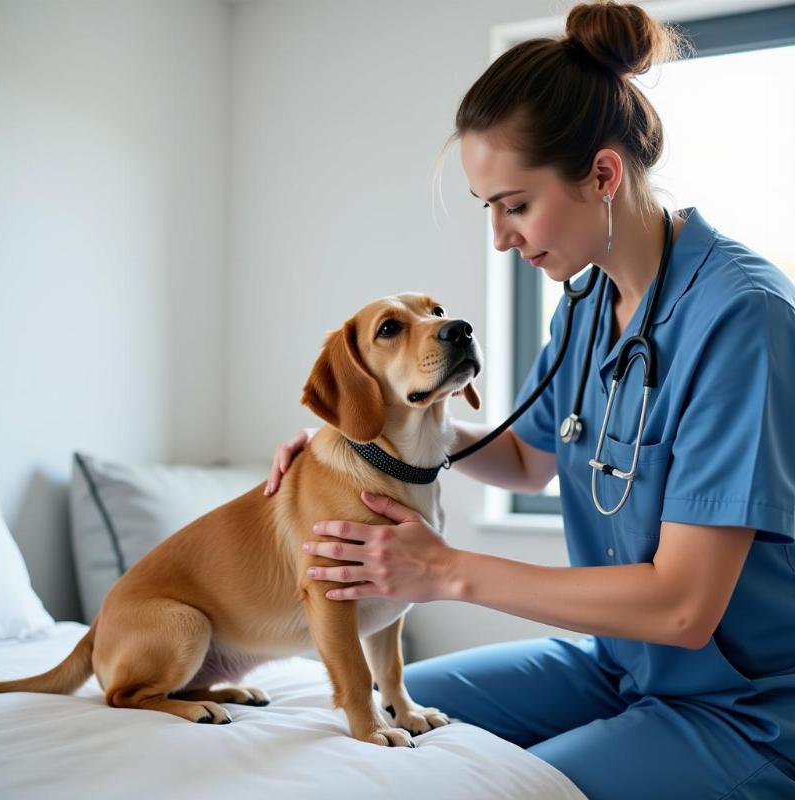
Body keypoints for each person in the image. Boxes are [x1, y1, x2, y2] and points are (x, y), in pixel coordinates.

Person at [265, 2, 795, 797]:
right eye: (490, 210)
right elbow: (529, 459)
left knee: (471, 787)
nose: (501, 239)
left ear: (604, 175)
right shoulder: (586, 303)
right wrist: (372, 439)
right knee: (371, 726)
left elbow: (685, 606)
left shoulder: (741, 320)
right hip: (616, 662)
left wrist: (443, 571)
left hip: (743, 709)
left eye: (515, 206)